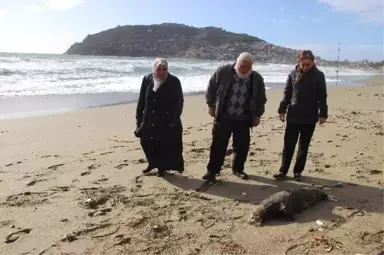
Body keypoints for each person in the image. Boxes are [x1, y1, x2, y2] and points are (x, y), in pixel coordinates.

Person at [202, 52, 267, 182]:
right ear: (237, 63)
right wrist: (210, 105)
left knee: (242, 146)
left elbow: (261, 98)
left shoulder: (256, 78)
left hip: (244, 118)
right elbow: (211, 88)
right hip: (223, 115)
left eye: (248, 67)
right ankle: (212, 171)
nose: (245, 69)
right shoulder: (223, 71)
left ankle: (238, 169)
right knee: (218, 145)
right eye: (242, 66)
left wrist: (258, 115)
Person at [273, 50, 328, 181]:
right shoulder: (293, 74)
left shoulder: (319, 75)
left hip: (309, 117)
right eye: (303, 63)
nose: (305, 66)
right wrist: (282, 110)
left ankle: (298, 171)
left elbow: (322, 96)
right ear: (299, 61)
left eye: (308, 63)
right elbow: (287, 93)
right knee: (288, 145)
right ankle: (283, 171)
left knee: (303, 146)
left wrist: (323, 113)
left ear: (313, 62)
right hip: (293, 115)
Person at [134, 58, 184, 177]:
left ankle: (162, 167)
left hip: (166, 118)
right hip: (148, 117)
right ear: (154, 69)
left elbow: (179, 101)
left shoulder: (174, 81)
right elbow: (141, 100)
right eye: (159, 69)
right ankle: (152, 163)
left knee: (162, 144)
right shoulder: (147, 79)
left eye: (164, 69)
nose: (161, 72)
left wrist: (174, 118)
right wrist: (138, 120)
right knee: (146, 142)